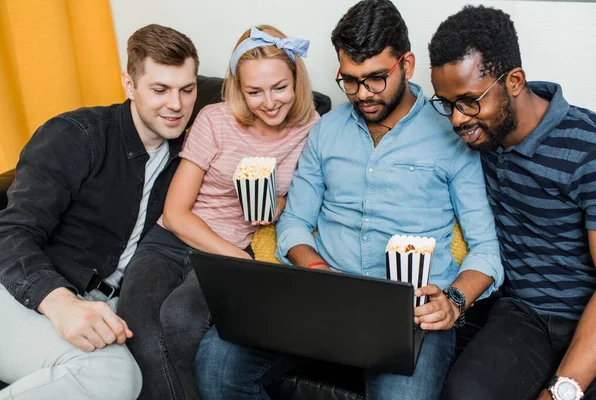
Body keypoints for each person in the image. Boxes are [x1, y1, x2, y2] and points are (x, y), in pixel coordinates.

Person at [194, 1, 503, 399]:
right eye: (350, 81)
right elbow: (294, 223)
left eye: (375, 79)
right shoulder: (327, 131)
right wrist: (318, 269)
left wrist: (455, 301)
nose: (362, 95)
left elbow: (486, 248)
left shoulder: (451, 135)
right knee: (215, 363)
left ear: (406, 64)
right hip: (319, 300)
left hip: (410, 314)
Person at [116, 24, 319, 400]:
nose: (269, 102)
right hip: (172, 240)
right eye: (254, 91)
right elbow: (176, 214)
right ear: (238, 89)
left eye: (280, 87)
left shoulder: (313, 129)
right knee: (138, 326)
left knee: (180, 319)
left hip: (232, 247)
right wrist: (237, 258)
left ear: (297, 81)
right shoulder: (215, 119)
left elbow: (315, 195)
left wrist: (281, 204)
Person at [0, 24, 198, 400]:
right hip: (21, 292)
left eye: (186, 90)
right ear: (129, 84)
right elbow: (11, 233)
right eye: (160, 89)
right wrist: (60, 303)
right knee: (113, 374)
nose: (176, 104)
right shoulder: (76, 135)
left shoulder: (191, 156)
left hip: (106, 303)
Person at [428, 5, 596, 400]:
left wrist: (562, 391)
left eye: (470, 101)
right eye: (448, 103)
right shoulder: (479, 141)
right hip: (523, 315)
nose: (456, 120)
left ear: (515, 81)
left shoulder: (589, 146)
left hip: (590, 318)